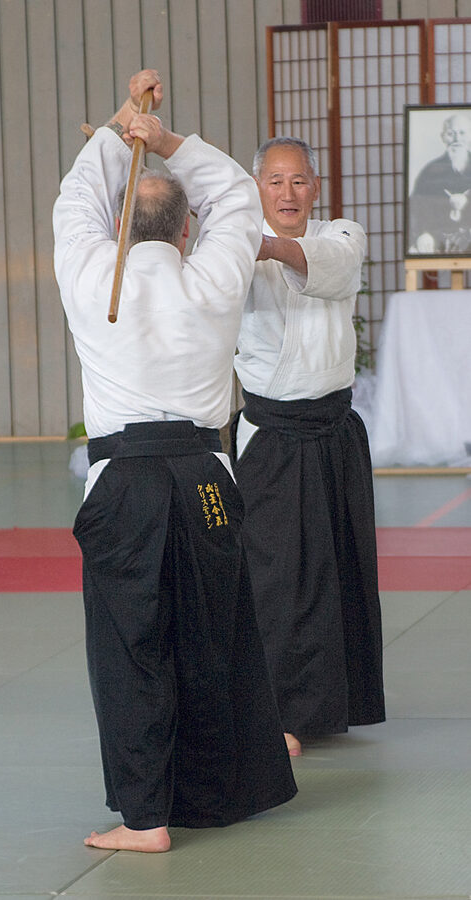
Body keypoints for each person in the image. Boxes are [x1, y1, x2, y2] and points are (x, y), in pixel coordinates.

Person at [53, 71, 296, 853]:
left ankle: (145, 818)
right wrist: (162, 141)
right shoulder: (215, 276)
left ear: (122, 229)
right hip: (204, 482)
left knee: (132, 645)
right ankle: (216, 794)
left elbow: (75, 200)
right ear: (188, 230)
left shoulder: (93, 274)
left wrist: (123, 128)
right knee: (210, 635)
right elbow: (233, 192)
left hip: (122, 482)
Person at [231, 136, 386, 758]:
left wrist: (259, 245)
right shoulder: (232, 247)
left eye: (298, 181)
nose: (287, 193)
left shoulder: (341, 235)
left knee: (339, 569)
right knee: (279, 578)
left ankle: (331, 704)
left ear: (315, 189)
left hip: (335, 432)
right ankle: (278, 711)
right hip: (273, 436)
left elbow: (330, 269)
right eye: (274, 181)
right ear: (256, 186)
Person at [409, 112, 471, 254]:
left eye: (462, 133)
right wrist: (422, 233)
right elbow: (417, 208)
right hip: (438, 237)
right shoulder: (430, 171)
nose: (457, 139)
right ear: (443, 137)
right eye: (451, 133)